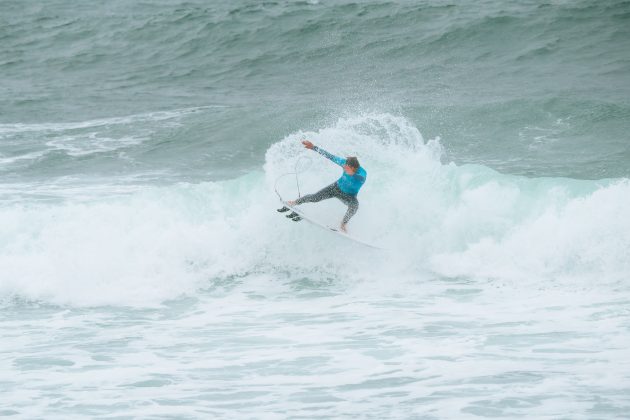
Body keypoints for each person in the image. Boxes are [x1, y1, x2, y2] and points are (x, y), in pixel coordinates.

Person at [279, 140, 366, 233]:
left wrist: (353, 175)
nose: (344, 168)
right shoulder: (344, 163)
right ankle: (294, 202)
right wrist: (313, 147)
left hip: (349, 196)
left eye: (346, 168)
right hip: (335, 188)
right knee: (314, 197)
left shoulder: (361, 175)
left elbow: (359, 177)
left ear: (353, 168)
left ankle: (343, 224)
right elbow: (330, 156)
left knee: (355, 206)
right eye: (344, 166)